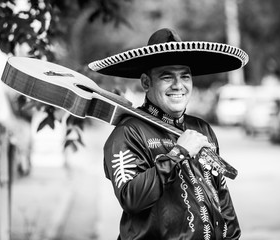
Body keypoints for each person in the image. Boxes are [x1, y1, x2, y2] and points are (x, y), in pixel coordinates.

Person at [89, 28, 248, 240]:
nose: (178, 85)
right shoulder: (128, 133)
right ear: (146, 83)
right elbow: (132, 199)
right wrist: (178, 153)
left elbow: (221, 195)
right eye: (167, 77)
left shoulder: (202, 129)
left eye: (185, 76)